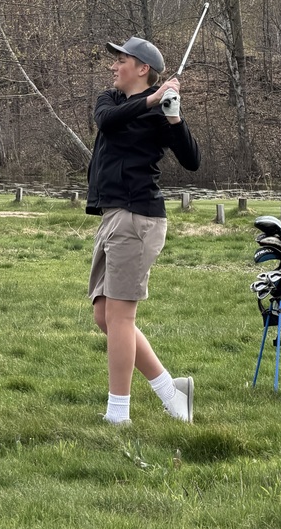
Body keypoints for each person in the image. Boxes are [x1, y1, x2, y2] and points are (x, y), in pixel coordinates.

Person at [86, 35, 201, 425]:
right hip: (113, 216)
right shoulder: (110, 102)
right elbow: (108, 122)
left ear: (142, 68)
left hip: (138, 218)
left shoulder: (160, 111)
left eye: (121, 60)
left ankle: (119, 414)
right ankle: (172, 391)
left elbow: (192, 161)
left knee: (120, 317)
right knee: (105, 316)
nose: (114, 66)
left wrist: (174, 116)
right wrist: (152, 100)